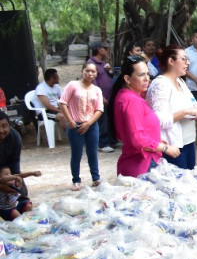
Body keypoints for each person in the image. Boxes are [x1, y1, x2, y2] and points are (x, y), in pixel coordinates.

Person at [112, 55, 180, 177]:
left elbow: (134, 131)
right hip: (142, 164)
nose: (146, 79)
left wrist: (155, 139)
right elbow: (137, 139)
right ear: (127, 79)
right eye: (141, 75)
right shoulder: (131, 100)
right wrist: (164, 148)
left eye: (147, 74)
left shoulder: (127, 96)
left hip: (140, 161)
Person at [146, 45, 197, 170]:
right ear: (171, 61)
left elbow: (193, 103)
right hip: (172, 144)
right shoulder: (160, 84)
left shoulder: (180, 81)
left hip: (188, 141)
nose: (187, 63)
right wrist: (186, 112)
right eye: (183, 59)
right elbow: (158, 120)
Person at [59, 61, 104, 189]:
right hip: (75, 125)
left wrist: (89, 123)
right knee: (76, 153)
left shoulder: (97, 90)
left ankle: (96, 178)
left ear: (96, 74)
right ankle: (76, 180)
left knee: (92, 152)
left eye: (93, 71)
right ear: (82, 71)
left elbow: (99, 109)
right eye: (87, 71)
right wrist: (70, 120)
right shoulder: (73, 85)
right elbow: (63, 103)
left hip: (91, 125)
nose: (90, 74)